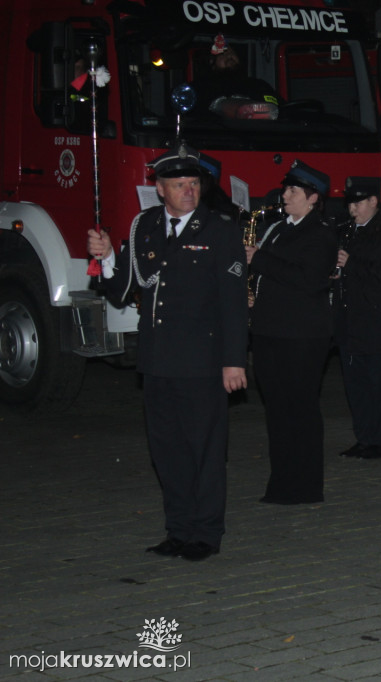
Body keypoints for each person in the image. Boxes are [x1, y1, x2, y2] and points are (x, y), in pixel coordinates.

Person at [86, 142, 248, 561]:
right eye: (179, 185)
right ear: (160, 189)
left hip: (203, 361)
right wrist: (105, 259)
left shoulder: (220, 229)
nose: (188, 191)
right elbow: (123, 290)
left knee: (205, 451)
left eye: (193, 184)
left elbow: (233, 303)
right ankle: (177, 529)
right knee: (167, 451)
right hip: (158, 361)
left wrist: (234, 360)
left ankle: (205, 533)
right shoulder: (145, 227)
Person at [246, 161, 337, 504]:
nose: (285, 195)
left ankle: (306, 486)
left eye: (293, 191)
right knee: (277, 411)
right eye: (286, 190)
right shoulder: (279, 228)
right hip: (271, 332)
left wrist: (260, 261)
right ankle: (282, 482)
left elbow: (309, 279)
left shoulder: (321, 233)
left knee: (299, 410)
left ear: (313, 198)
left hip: (301, 337)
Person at [333, 176, 381, 460]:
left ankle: (379, 439)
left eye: (358, 204)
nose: (352, 210)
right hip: (351, 320)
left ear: (373, 202)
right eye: (350, 204)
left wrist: (353, 264)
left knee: (376, 385)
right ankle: (364, 436)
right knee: (355, 385)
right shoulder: (347, 231)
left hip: (376, 322)